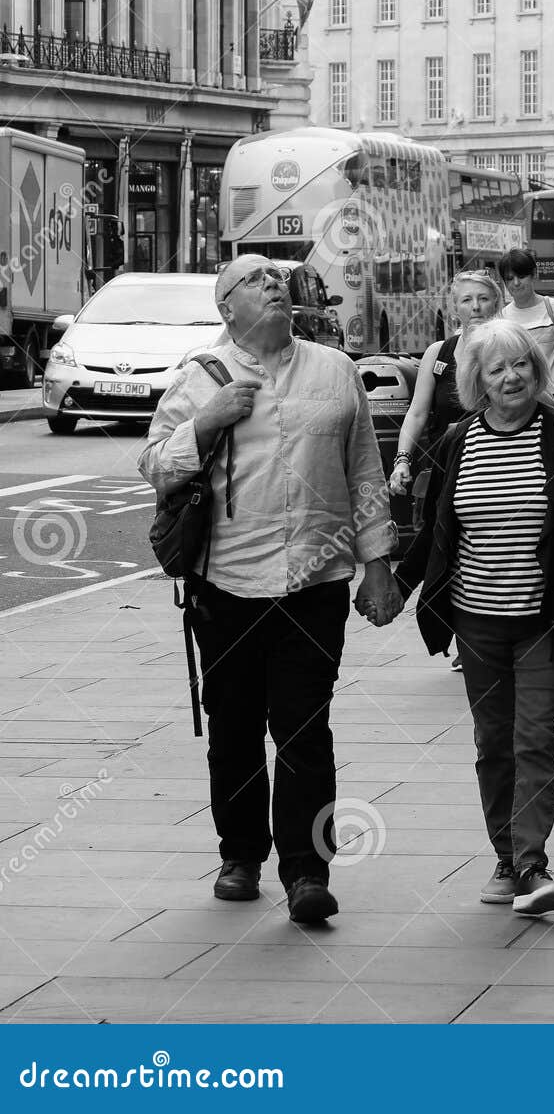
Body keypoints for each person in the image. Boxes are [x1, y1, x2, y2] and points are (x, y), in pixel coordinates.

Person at [138, 255, 402, 925]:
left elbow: (365, 468)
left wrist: (377, 564)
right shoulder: (203, 377)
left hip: (314, 582)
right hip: (224, 584)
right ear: (227, 307)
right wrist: (206, 422)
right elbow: (154, 466)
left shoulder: (333, 369)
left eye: (276, 279)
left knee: (305, 727)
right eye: (254, 280)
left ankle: (308, 871)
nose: (273, 285)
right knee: (233, 727)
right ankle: (241, 854)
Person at [395, 319, 554, 916]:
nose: (511, 376)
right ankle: (505, 855)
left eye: (520, 364)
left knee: (534, 739)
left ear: (536, 370)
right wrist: (395, 585)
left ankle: (530, 863)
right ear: (478, 382)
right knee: (493, 743)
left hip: (548, 619)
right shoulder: (455, 441)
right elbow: (436, 534)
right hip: (476, 622)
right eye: (496, 369)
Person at [388, 270, 504, 672]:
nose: (475, 307)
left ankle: (407, 591)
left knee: (481, 548)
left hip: (495, 465)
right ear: (454, 307)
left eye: (483, 299)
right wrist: (402, 459)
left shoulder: (506, 346)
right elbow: (418, 411)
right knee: (442, 542)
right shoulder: (439, 352)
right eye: (467, 300)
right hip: (444, 464)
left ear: (497, 302)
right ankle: (454, 629)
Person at [498, 249, 554, 416]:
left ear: (533, 274)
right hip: (520, 398)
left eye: (521, 276)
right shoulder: (502, 317)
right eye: (509, 278)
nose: (516, 283)